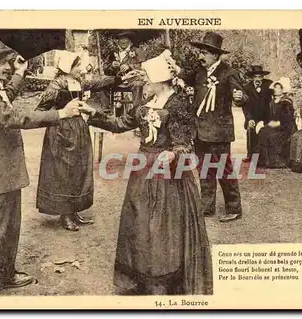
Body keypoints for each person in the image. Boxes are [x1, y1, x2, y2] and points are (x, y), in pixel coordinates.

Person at [80, 50, 213, 295]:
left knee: (162, 225)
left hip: (168, 174)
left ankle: (162, 279)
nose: (143, 85)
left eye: (147, 80)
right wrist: (92, 114)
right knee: (139, 219)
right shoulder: (145, 105)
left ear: (160, 81)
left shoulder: (177, 104)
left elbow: (184, 142)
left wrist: (174, 154)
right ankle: (142, 276)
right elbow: (121, 124)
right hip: (143, 168)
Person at [0, 36, 81, 296]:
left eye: (8, 60)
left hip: (7, 169)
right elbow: (15, 117)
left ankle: (5, 275)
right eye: (1, 62)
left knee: (10, 226)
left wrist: (21, 72)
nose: (7, 66)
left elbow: (10, 94)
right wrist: (60, 114)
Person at [35, 51, 140, 231]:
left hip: (78, 129)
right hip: (60, 133)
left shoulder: (80, 82)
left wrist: (121, 78)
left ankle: (74, 211)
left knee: (78, 169)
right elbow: (39, 111)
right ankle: (65, 214)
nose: (81, 69)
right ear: (67, 68)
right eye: (77, 66)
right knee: (64, 172)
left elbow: (99, 82)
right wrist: (59, 116)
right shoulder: (56, 85)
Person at [181, 31, 247, 223]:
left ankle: (234, 208)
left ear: (215, 55)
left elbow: (243, 95)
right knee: (204, 169)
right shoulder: (199, 72)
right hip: (200, 130)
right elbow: (182, 78)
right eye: (200, 52)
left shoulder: (229, 72)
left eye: (204, 53)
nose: (200, 56)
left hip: (219, 132)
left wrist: (240, 98)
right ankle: (206, 206)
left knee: (223, 170)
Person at [99, 30, 146, 113]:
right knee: (104, 83)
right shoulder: (112, 53)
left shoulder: (137, 52)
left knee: (138, 84)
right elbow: (105, 69)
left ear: (130, 41)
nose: (123, 41)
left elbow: (143, 66)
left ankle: (136, 113)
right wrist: (112, 66)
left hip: (132, 81)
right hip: (117, 81)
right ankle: (105, 113)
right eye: (120, 39)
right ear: (118, 41)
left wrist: (130, 67)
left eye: (125, 39)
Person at [256, 77, 296, 168]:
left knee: (271, 135)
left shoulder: (286, 102)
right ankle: (264, 161)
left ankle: (276, 162)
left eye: (279, 88)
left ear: (283, 90)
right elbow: (269, 116)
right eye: (275, 87)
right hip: (274, 125)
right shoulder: (272, 101)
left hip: (286, 127)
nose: (276, 89)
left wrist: (278, 124)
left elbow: (288, 118)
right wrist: (267, 122)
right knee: (262, 131)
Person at [242, 65, 273, 162]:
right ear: (252, 78)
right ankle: (250, 155)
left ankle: (266, 157)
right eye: (255, 77)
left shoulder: (269, 85)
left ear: (263, 77)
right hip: (253, 117)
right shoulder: (247, 87)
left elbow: (277, 96)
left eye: (259, 77)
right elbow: (245, 106)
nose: (257, 79)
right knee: (250, 130)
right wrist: (249, 119)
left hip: (266, 117)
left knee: (266, 132)